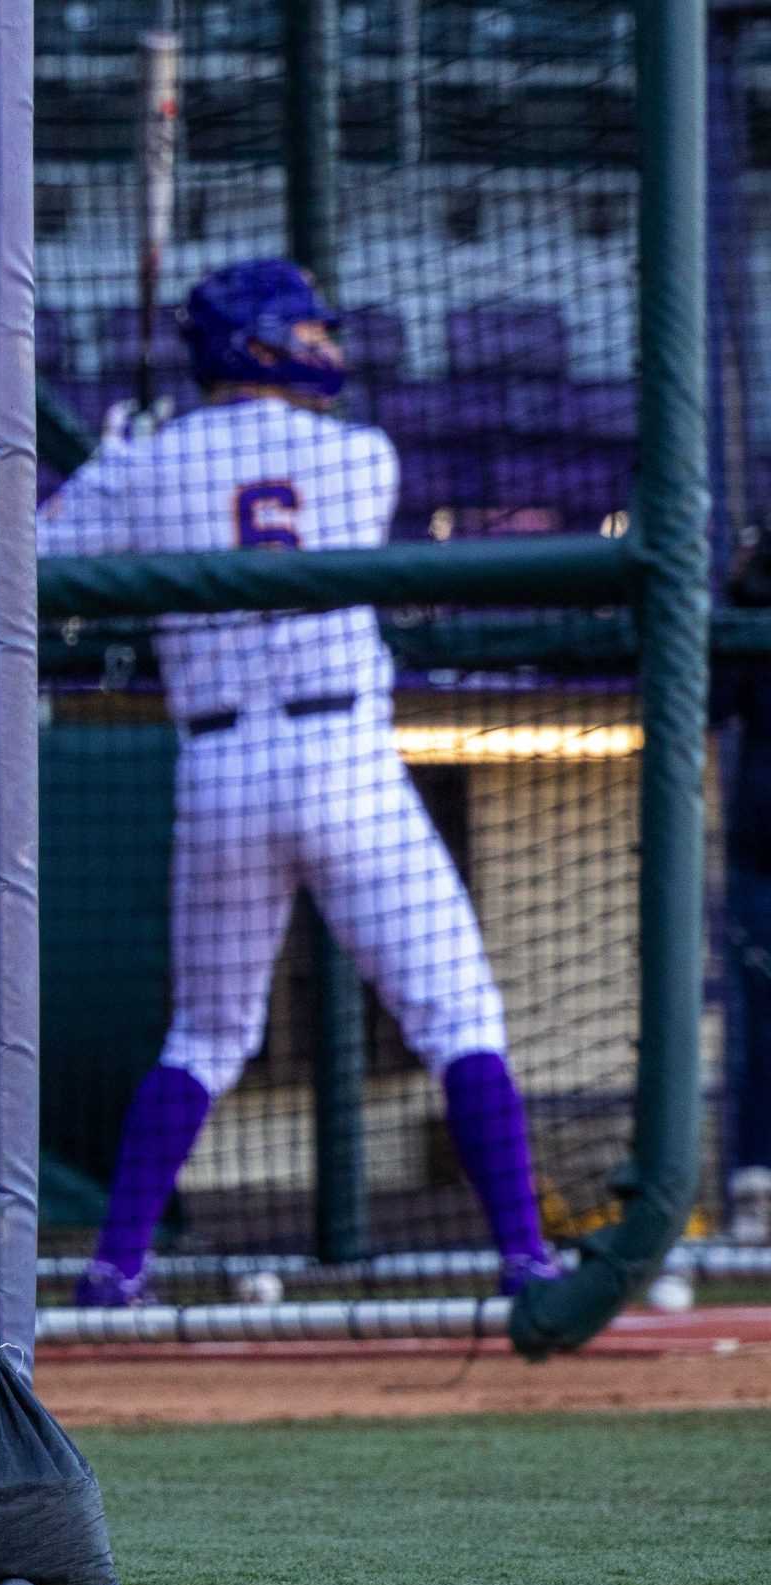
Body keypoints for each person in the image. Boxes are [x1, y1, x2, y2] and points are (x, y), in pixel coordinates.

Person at [37, 258, 560, 1303]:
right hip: (345, 766)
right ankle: (525, 1259)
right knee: (458, 1015)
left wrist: (117, 462)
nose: (328, 345)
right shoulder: (364, 456)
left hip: (221, 769)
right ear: (258, 342)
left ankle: (114, 1265)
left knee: (207, 1032)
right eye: (307, 330)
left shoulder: (154, 461)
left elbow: (38, 558)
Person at [716, 531, 771, 1243]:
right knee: (761, 1031)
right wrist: (740, 595)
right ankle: (758, 1189)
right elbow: (709, 702)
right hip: (761, 861)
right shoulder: (756, 596)